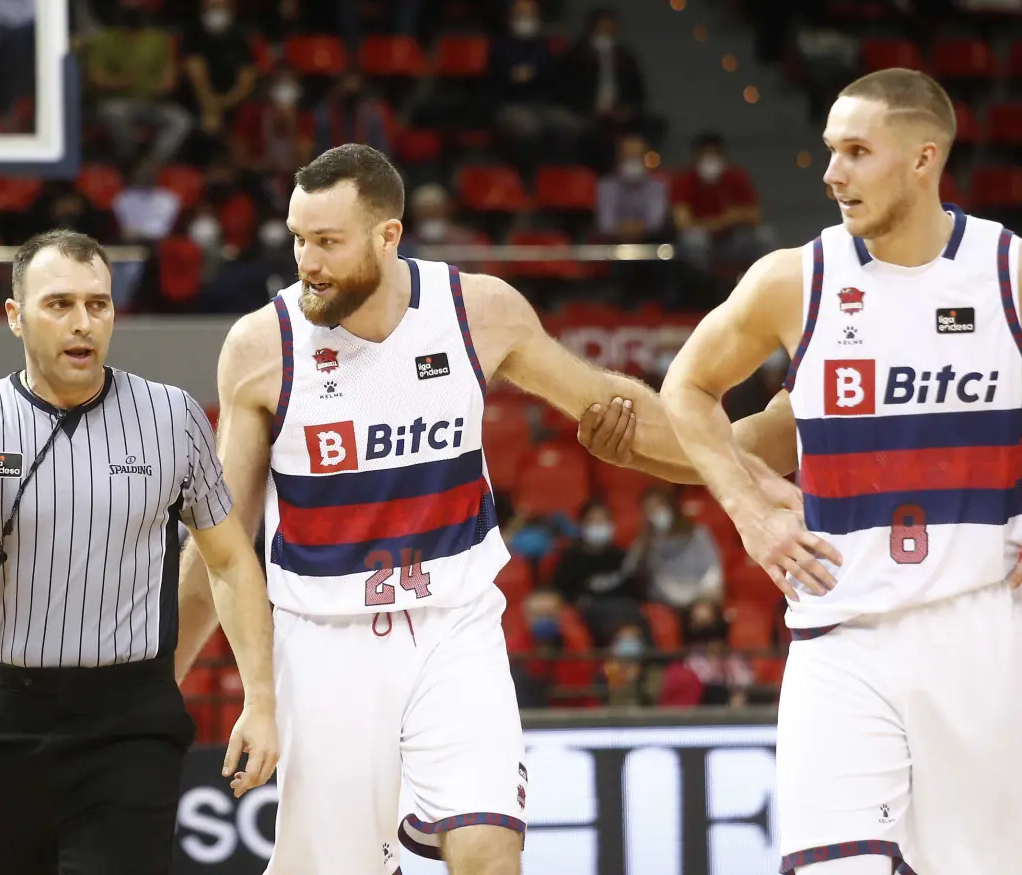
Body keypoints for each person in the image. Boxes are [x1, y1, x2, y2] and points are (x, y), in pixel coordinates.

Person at [172, 143, 794, 875]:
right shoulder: (262, 346)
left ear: (387, 235)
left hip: (455, 625)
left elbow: (606, 404)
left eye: (328, 242)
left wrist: (742, 458)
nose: (308, 261)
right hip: (326, 640)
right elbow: (219, 543)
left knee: (491, 853)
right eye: (299, 239)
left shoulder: (477, 310)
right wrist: (159, 684)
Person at [577, 69, 1022, 874]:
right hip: (838, 632)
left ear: (924, 158)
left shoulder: (1006, 272)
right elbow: (693, 391)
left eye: (857, 151)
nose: (832, 173)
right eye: (830, 150)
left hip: (981, 628)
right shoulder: (797, 277)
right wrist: (746, 509)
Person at [0, 229, 279, 875]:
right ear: (15, 316)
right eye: (59, 304)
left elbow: (231, 561)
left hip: (131, 722)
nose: (82, 322)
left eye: (98, 304)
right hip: (8, 717)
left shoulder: (172, 416)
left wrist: (260, 700)